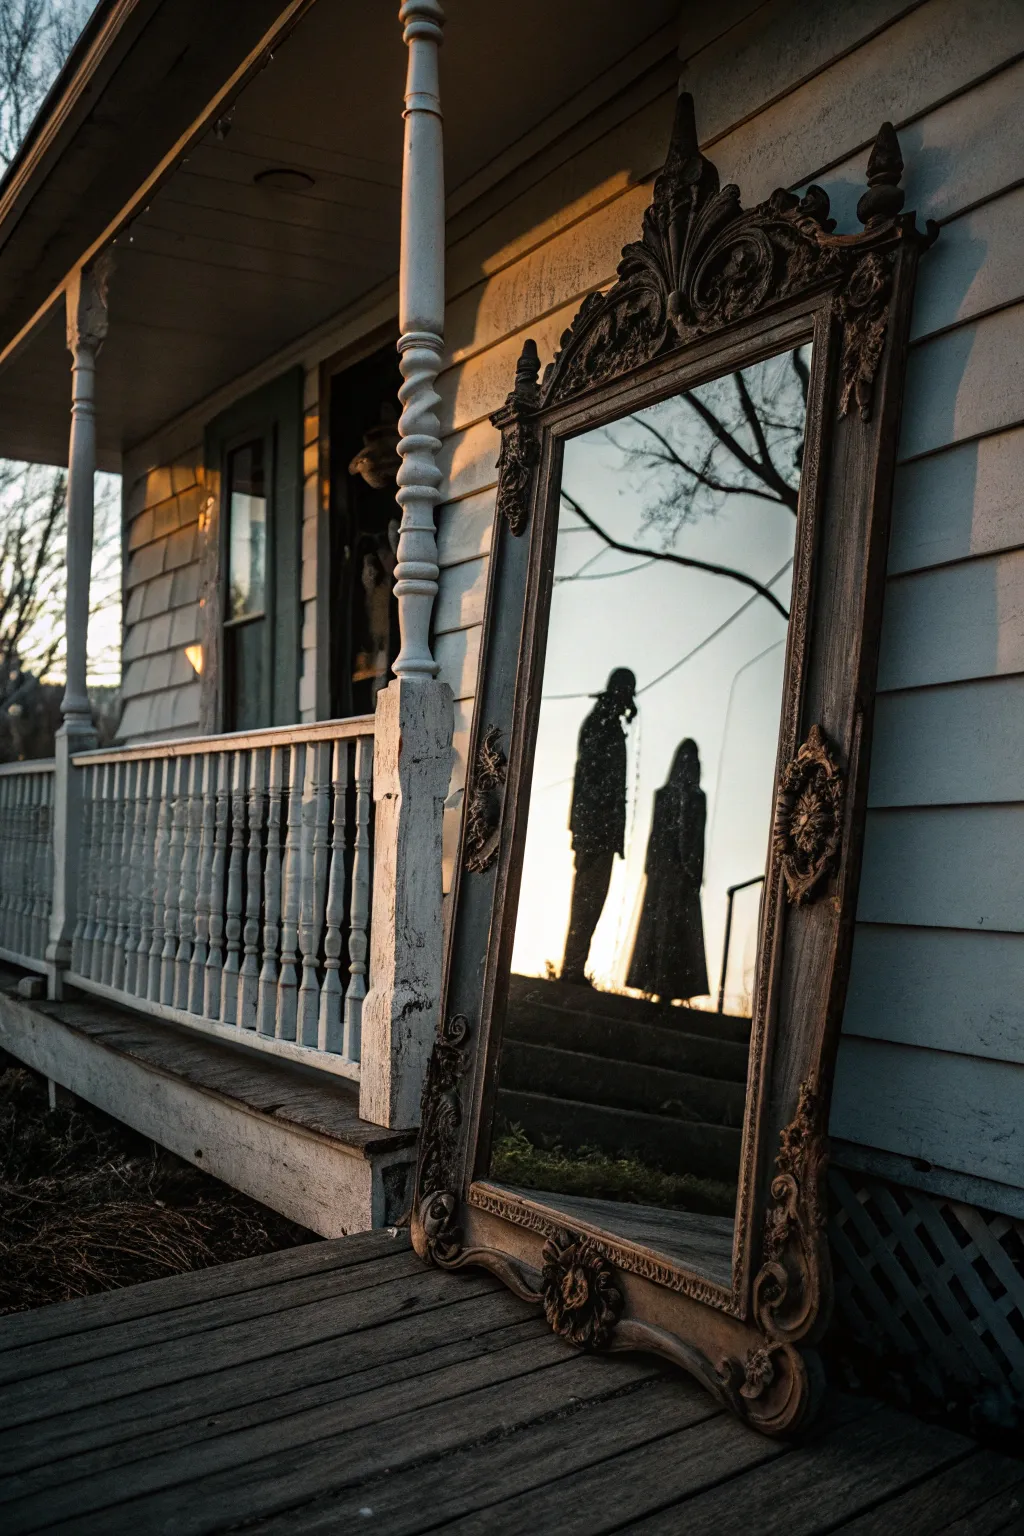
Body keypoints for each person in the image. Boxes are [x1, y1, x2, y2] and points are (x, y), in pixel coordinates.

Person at [561, 667, 637, 985]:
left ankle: (574, 966)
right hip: (595, 829)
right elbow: (593, 779)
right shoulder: (602, 724)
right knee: (588, 898)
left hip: (598, 829)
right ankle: (572, 968)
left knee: (592, 898)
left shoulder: (607, 723)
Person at [627, 737, 709, 1002]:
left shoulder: (698, 798)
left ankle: (673, 991)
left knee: (678, 930)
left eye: (692, 759)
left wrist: (694, 872)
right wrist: (652, 869)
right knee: (660, 927)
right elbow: (656, 834)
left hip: (684, 876)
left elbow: (698, 837)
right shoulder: (663, 796)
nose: (689, 764)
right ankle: (653, 984)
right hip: (663, 873)